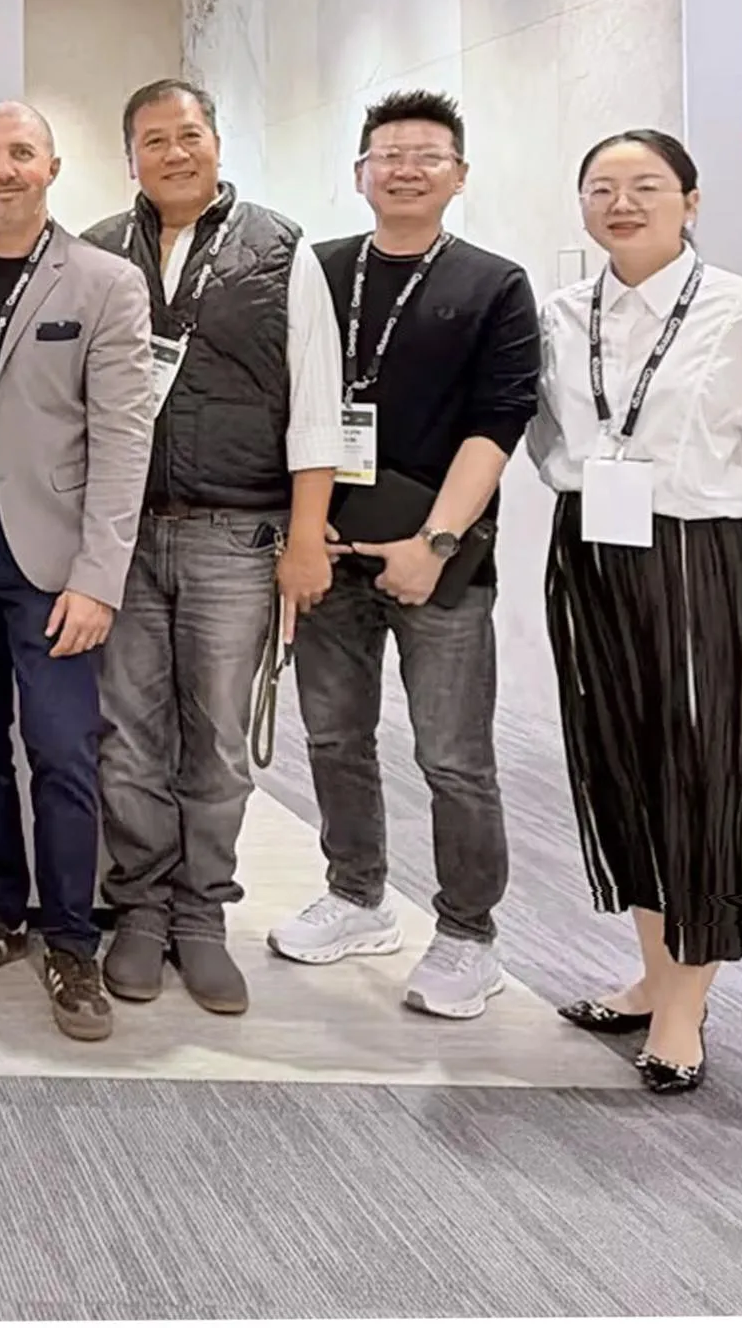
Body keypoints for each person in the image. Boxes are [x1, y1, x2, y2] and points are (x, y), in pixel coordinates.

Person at [528, 129, 742, 1095]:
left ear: (690, 203)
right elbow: (547, 439)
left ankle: (684, 1010)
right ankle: (653, 976)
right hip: (591, 557)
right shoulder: (563, 314)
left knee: (701, 783)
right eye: (601, 187)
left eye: (646, 186)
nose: (623, 204)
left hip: (703, 560)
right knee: (623, 774)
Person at [269, 91, 539, 1022]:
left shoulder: (494, 284)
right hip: (328, 549)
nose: (406, 169)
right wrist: (301, 530)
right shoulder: (317, 269)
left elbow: (498, 424)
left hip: (440, 562)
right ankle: (357, 896)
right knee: (334, 737)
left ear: (459, 176)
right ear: (360, 173)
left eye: (428, 155)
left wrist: (435, 543)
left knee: (453, 756)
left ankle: (468, 935)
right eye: (388, 154)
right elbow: (285, 405)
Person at [82, 79, 341, 1016]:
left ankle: (201, 914)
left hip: (238, 534)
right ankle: (140, 908)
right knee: (128, 736)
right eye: (154, 140)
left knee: (221, 742)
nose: (174, 153)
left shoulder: (281, 249)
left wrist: (305, 537)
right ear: (131, 157)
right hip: (123, 536)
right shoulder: (99, 249)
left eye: (188, 135)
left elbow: (317, 399)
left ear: (217, 143)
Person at [0, 103, 151, 1043]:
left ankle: (70, 940)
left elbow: (125, 439)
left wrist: (98, 578)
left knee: (61, 752)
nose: (4, 169)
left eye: (22, 153)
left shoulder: (104, 281)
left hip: (51, 561)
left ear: (52, 167)